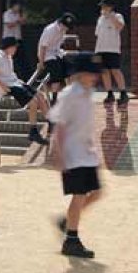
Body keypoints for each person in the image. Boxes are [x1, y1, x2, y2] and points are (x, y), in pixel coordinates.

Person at [50, 52, 104, 259]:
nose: (95, 77)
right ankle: (71, 241)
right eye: (91, 73)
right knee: (79, 195)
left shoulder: (87, 93)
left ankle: (67, 221)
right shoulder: (69, 94)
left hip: (86, 152)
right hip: (72, 154)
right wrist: (59, 155)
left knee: (97, 193)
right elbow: (60, 127)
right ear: (80, 73)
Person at [0, 36, 49, 146]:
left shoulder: (8, 58)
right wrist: (2, 85)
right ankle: (33, 131)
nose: (15, 50)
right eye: (14, 47)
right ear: (8, 47)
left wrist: (20, 81)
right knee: (33, 102)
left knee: (41, 95)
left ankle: (51, 122)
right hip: (8, 87)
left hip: (15, 83)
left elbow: (9, 74)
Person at [95, 0, 129, 105]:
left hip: (113, 49)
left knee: (115, 70)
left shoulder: (118, 16)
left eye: (105, 6)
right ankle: (109, 93)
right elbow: (97, 34)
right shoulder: (100, 18)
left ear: (111, 7)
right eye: (102, 6)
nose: (103, 8)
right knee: (104, 71)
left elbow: (120, 26)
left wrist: (110, 16)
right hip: (100, 49)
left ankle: (123, 92)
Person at [36, 13, 76, 105]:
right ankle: (54, 98)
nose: (66, 29)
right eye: (66, 26)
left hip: (57, 53)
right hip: (47, 55)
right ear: (60, 24)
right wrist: (41, 62)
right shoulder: (50, 30)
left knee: (70, 68)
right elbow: (42, 47)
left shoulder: (62, 30)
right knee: (56, 74)